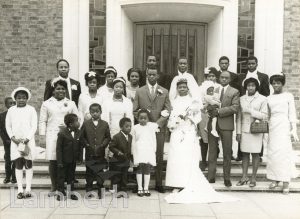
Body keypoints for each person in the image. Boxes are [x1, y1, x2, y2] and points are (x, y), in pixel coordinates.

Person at [164, 79, 239, 204]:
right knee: (176, 157)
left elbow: (198, 116)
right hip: (177, 131)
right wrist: (173, 122)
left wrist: (188, 118)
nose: (182, 89)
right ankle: (175, 183)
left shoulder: (193, 101)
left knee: (187, 156)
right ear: (177, 89)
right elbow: (171, 115)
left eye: (184, 87)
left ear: (188, 89)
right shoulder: (174, 101)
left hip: (188, 130)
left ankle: (186, 182)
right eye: (180, 87)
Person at [133, 68, 171, 193]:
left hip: (158, 129)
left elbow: (168, 110)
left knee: (158, 155)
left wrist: (157, 124)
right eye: (149, 74)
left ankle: (159, 183)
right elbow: (135, 110)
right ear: (146, 76)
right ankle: (140, 185)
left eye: (154, 74)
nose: (152, 76)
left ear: (158, 76)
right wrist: (144, 121)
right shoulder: (139, 91)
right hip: (144, 129)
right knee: (142, 154)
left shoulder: (164, 91)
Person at [39, 79, 79, 196]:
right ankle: (54, 185)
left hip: (67, 136)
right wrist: (42, 136)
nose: (61, 90)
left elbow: (77, 119)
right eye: (58, 88)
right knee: (53, 160)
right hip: (52, 135)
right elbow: (42, 121)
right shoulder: (46, 103)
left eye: (62, 88)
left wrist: (72, 130)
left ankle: (66, 185)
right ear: (53, 90)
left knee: (67, 160)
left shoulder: (71, 103)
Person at [267, 73, 299, 194]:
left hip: (284, 125)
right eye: (274, 83)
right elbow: (268, 114)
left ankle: (285, 181)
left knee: (284, 153)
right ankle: (275, 179)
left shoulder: (288, 96)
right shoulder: (269, 98)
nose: (276, 85)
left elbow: (292, 113)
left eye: (278, 83)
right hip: (273, 126)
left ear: (282, 84)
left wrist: (293, 129)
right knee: (273, 153)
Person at [207, 71, 240, 187]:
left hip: (226, 125)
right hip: (213, 124)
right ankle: (211, 177)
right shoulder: (213, 89)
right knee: (212, 151)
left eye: (226, 78)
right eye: (222, 77)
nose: (224, 79)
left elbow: (235, 107)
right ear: (218, 78)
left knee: (227, 152)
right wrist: (209, 108)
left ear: (230, 79)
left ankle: (227, 178)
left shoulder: (234, 91)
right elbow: (207, 104)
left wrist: (219, 111)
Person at [236, 56, 270, 161]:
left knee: (258, 130)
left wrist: (258, 104)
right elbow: (239, 91)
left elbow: (266, 92)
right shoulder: (241, 76)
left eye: (253, 63)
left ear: (256, 64)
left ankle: (258, 155)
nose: (251, 65)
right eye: (249, 64)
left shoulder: (263, 76)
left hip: (258, 106)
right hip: (244, 104)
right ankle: (240, 154)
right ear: (246, 65)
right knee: (243, 128)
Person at [6, 87, 37, 199]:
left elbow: (34, 126)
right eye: (19, 98)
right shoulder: (11, 110)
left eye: (24, 98)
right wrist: (13, 138)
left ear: (27, 98)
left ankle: (28, 188)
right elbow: (8, 126)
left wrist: (27, 138)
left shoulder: (31, 109)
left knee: (28, 163)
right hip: (16, 142)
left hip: (28, 141)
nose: (21, 100)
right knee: (18, 163)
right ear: (15, 99)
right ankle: (20, 189)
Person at [236, 77, 268, 187]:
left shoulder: (263, 99)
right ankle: (244, 176)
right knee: (244, 154)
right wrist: (238, 132)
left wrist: (250, 111)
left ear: (256, 87)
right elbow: (239, 117)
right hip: (244, 130)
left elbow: (265, 115)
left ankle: (253, 178)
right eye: (248, 85)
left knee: (255, 154)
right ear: (246, 87)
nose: (250, 87)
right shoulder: (241, 99)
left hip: (256, 130)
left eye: (253, 85)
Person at [81, 103, 111, 199]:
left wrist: (103, 145)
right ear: (90, 112)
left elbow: (108, 137)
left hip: (100, 153)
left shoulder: (105, 124)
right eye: (92, 112)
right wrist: (87, 145)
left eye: (97, 111)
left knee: (100, 172)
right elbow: (82, 137)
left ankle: (100, 190)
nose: (95, 114)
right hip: (89, 153)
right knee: (89, 172)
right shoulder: (86, 124)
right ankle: (88, 190)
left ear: (101, 112)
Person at [198, 67, 221, 171]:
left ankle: (213, 163)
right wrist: (203, 106)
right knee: (204, 139)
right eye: (209, 76)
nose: (211, 78)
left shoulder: (219, 87)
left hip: (216, 114)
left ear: (216, 77)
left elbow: (221, 100)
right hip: (204, 113)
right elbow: (198, 100)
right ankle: (203, 161)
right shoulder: (201, 87)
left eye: (213, 76)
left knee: (214, 139)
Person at [132, 109, 159, 197]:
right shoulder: (135, 128)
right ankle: (140, 188)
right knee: (139, 168)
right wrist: (133, 152)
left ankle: (146, 188)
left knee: (147, 169)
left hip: (148, 150)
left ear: (148, 119)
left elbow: (153, 139)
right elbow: (133, 140)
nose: (143, 120)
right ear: (138, 118)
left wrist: (154, 150)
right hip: (139, 150)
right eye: (141, 118)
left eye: (145, 118)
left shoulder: (151, 127)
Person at [56, 114, 82, 201]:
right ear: (71, 124)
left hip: (73, 160)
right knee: (61, 177)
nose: (78, 123)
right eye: (77, 121)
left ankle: (71, 193)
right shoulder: (62, 133)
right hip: (63, 160)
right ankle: (60, 193)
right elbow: (58, 148)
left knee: (71, 177)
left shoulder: (78, 132)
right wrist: (59, 161)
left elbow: (80, 146)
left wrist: (80, 158)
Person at [109, 117, 132, 193]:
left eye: (130, 126)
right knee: (117, 176)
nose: (129, 128)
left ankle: (123, 190)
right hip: (117, 161)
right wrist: (118, 152)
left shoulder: (130, 137)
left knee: (124, 176)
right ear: (121, 127)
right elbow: (111, 146)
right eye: (127, 126)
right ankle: (115, 191)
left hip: (126, 160)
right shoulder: (116, 136)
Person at [0, 97, 16, 184]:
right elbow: (1, 130)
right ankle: (7, 177)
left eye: (14, 103)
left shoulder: (18, 115)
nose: (12, 105)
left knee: (16, 159)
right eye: (10, 103)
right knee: (8, 159)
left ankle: (14, 177)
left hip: (16, 141)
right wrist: (6, 140)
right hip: (7, 142)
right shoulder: (2, 115)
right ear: (6, 105)